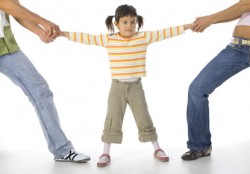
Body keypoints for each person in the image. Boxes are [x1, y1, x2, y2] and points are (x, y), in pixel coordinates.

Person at [60, 4, 192, 167]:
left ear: (137, 22)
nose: (129, 26)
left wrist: (188, 26)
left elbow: (166, 32)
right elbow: (86, 37)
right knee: (112, 118)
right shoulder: (109, 39)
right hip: (117, 88)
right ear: (116, 23)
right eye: (125, 22)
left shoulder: (143, 37)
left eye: (132, 22)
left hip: (136, 87)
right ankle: (105, 153)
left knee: (144, 117)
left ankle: (157, 149)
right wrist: (62, 33)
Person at [0, 0, 90, 162]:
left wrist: (38, 31)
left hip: (7, 48)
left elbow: (15, 9)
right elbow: (5, 4)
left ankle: (62, 149)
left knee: (41, 92)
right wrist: (43, 22)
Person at [181, 0, 250, 160]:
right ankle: (200, 146)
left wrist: (210, 19)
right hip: (238, 49)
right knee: (197, 90)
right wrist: (209, 20)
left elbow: (246, 5)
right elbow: (241, 10)